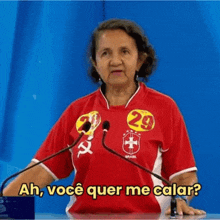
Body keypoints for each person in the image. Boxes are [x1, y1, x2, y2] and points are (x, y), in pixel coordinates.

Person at [3, 18, 205, 215]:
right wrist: (4, 205)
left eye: (124, 52)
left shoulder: (164, 107)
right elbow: (40, 172)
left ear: (140, 60)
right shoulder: (78, 111)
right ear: (95, 62)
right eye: (105, 53)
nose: (115, 61)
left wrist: (179, 201)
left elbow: (185, 177)